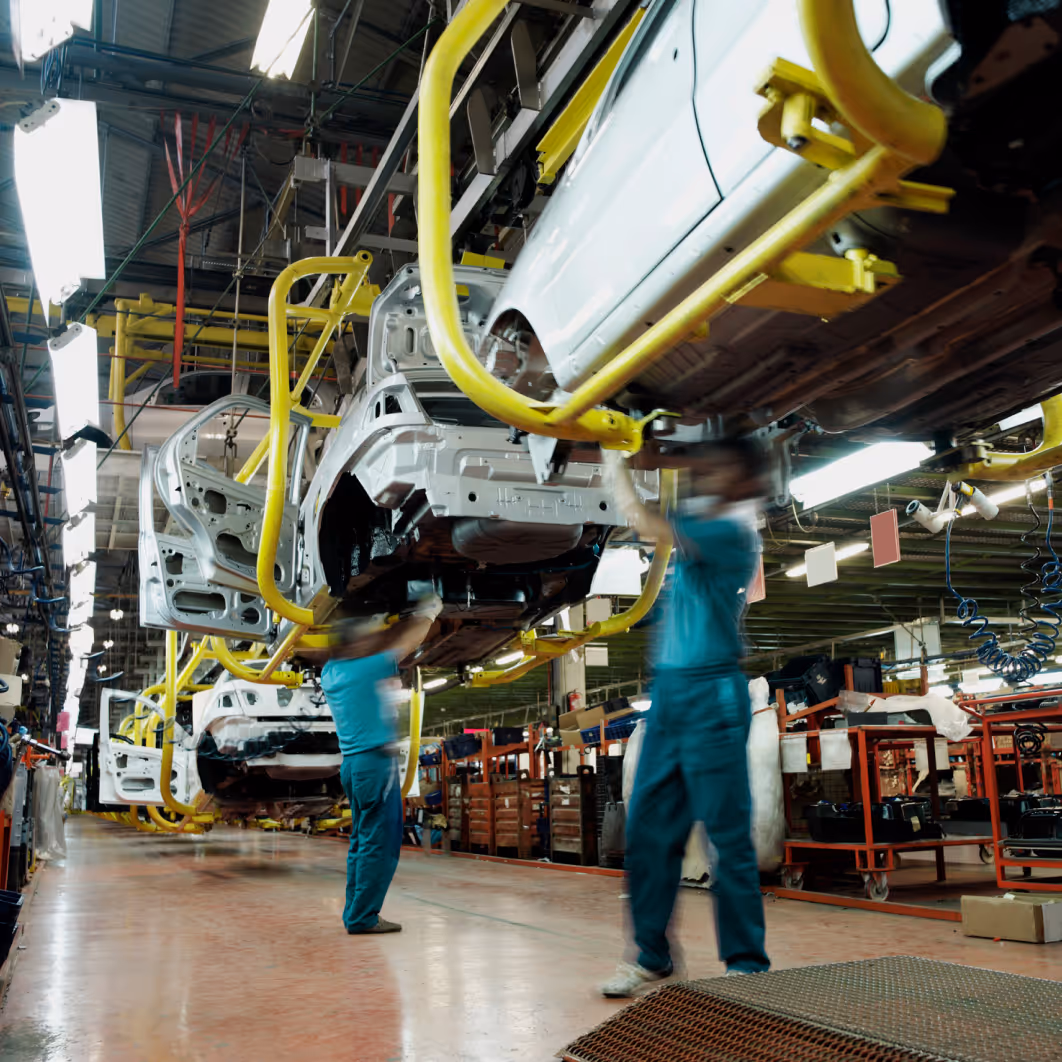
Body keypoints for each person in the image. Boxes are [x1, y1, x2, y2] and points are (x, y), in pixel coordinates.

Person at [600, 438, 771, 997]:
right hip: (669, 695)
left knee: (727, 833)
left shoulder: (733, 532)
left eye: (721, 469)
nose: (706, 475)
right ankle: (651, 956)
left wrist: (612, 461)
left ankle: (746, 963)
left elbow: (644, 521)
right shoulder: (699, 515)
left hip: (714, 693)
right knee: (649, 832)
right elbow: (660, 501)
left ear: (745, 483)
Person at [317, 595, 443, 935]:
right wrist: (427, 612)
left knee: (362, 841)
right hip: (374, 765)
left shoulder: (331, 673)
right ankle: (363, 918)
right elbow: (408, 641)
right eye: (365, 635)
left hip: (354, 767)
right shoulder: (368, 667)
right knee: (379, 843)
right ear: (355, 642)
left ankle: (356, 913)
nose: (372, 638)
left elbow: (379, 645)